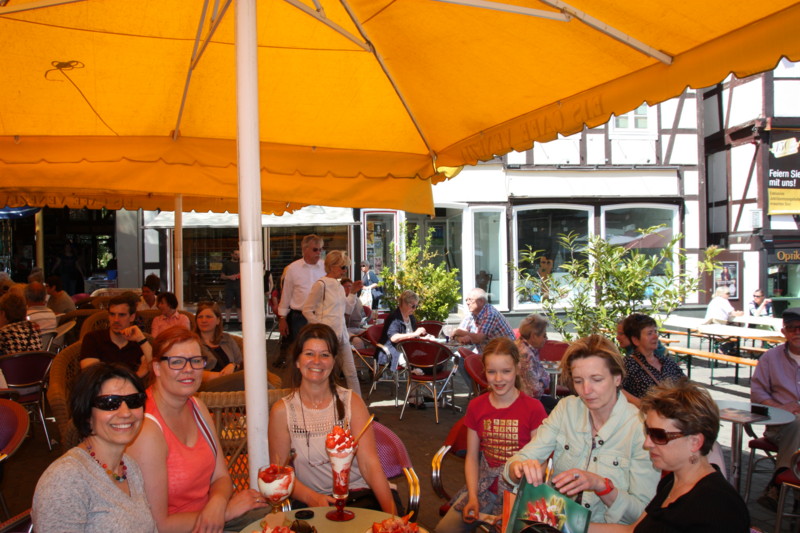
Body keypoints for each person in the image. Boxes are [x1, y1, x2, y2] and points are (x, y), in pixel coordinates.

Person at [505, 335, 659, 525]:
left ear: (617, 378)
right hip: (558, 523)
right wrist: (519, 468)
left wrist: (602, 486)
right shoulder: (566, 409)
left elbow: (642, 514)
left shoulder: (640, 428)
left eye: (596, 379)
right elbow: (517, 462)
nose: (586, 390)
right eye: (578, 381)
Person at [127, 326, 268, 531]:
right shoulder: (147, 429)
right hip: (177, 528)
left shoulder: (197, 407)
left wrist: (218, 503)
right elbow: (157, 525)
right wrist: (227, 512)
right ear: (156, 368)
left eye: (195, 361)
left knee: (273, 517)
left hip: (211, 517)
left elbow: (221, 477)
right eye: (177, 362)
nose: (188, 369)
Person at [267, 323, 398, 513]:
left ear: (334, 361)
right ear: (297, 361)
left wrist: (392, 515)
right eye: (309, 354)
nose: (317, 361)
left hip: (359, 495)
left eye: (325, 355)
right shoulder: (282, 411)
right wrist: (311, 497)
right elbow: (279, 473)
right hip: (311, 501)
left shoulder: (352, 402)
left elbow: (369, 465)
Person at [588, 379, 749, 533]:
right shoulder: (673, 481)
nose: (647, 443)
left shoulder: (718, 505)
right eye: (647, 431)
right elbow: (635, 530)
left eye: (658, 436)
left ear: (695, 442)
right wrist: (574, 523)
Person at [436, 338, 547, 533]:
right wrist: (472, 497)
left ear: (517, 369)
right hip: (483, 487)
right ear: (484, 371)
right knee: (445, 530)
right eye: (491, 372)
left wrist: (518, 505)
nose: (498, 379)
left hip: (520, 492)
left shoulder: (533, 408)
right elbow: (472, 457)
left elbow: (541, 461)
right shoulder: (476, 406)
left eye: (506, 371)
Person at [31, 363, 156, 533]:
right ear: (87, 414)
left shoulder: (129, 467)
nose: (126, 412)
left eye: (134, 401)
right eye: (110, 403)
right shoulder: (65, 479)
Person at [750, 307, 800, 510]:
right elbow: (757, 394)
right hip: (779, 426)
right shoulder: (770, 358)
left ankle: (779, 484)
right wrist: (781, 407)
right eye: (792, 328)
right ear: (783, 332)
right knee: (796, 423)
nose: (797, 332)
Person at [302, 250, 362, 396]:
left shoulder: (339, 286)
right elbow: (307, 310)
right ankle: (325, 402)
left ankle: (358, 404)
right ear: (332, 266)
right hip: (327, 336)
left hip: (342, 334)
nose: (345, 271)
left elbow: (347, 309)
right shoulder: (321, 285)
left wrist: (353, 293)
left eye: (346, 267)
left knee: (351, 373)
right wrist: (321, 328)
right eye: (343, 267)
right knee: (327, 373)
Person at [276, 234, 326, 365]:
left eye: (321, 249)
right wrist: (282, 318)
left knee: (322, 350)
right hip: (300, 317)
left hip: (321, 315)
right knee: (302, 351)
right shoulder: (292, 269)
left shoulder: (325, 267)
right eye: (315, 249)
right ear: (304, 249)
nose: (319, 253)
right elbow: (286, 294)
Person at [80, 292, 152, 378]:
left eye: (122, 315)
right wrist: (135, 377)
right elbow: (91, 374)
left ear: (132, 317)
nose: (116, 320)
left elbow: (154, 367)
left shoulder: (138, 341)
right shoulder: (93, 338)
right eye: (112, 314)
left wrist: (141, 339)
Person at [620, 313, 684, 408]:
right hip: (646, 415)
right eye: (649, 333)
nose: (655, 336)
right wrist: (643, 406)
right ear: (635, 340)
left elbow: (686, 384)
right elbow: (617, 390)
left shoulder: (666, 361)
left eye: (655, 332)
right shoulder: (628, 364)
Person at [379, 290, 431, 372]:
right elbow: (394, 338)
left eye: (416, 306)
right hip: (395, 351)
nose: (415, 309)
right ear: (404, 303)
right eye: (413, 306)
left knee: (433, 361)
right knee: (427, 367)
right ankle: (416, 375)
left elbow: (413, 337)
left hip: (409, 350)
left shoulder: (411, 317)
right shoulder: (394, 317)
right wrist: (415, 333)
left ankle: (418, 374)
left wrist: (424, 338)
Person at [453, 288, 515, 353]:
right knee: (458, 354)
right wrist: (460, 338)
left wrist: (459, 332)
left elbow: (479, 338)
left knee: (464, 356)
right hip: (488, 352)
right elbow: (454, 335)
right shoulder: (472, 314)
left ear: (481, 301)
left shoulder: (490, 314)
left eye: (470, 300)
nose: (467, 303)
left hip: (505, 352)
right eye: (466, 300)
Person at [515, 314, 551, 401]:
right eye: (544, 335)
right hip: (525, 402)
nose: (546, 338)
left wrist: (542, 380)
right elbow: (535, 391)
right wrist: (544, 381)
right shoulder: (525, 355)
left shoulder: (524, 347)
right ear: (534, 336)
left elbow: (543, 374)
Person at [220, 249, 241, 324]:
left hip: (239, 287)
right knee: (228, 305)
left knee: (239, 306)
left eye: (238, 254)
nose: (237, 256)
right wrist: (230, 277)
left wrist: (238, 275)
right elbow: (222, 276)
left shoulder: (241, 264)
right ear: (231, 254)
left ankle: (240, 322)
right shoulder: (227, 264)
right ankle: (227, 322)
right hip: (229, 287)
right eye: (236, 254)